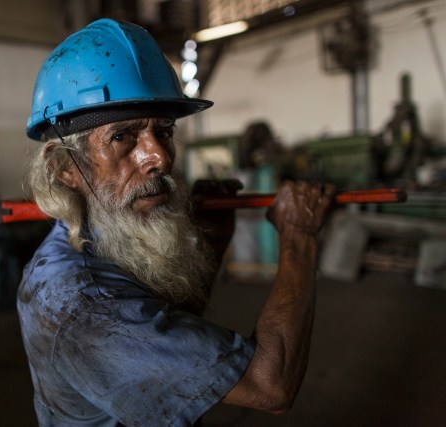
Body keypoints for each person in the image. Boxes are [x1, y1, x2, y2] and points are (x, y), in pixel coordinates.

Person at [17, 18, 335, 426]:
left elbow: (163, 325)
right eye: (123, 137)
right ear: (66, 168)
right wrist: (299, 238)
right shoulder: (85, 305)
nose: (159, 157)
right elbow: (269, 385)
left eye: (162, 131)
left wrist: (214, 243)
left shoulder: (88, 236)